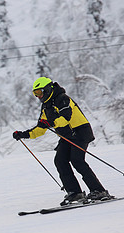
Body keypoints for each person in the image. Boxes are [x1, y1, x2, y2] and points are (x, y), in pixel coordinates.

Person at [13, 77, 110, 206]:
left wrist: (50, 122)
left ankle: (99, 191)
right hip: (67, 136)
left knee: (77, 160)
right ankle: (75, 193)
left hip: (80, 132)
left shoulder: (62, 99)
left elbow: (66, 118)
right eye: (35, 94)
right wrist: (23, 134)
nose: (38, 96)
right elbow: (41, 129)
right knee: (60, 160)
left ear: (47, 89)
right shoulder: (46, 106)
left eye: (39, 92)